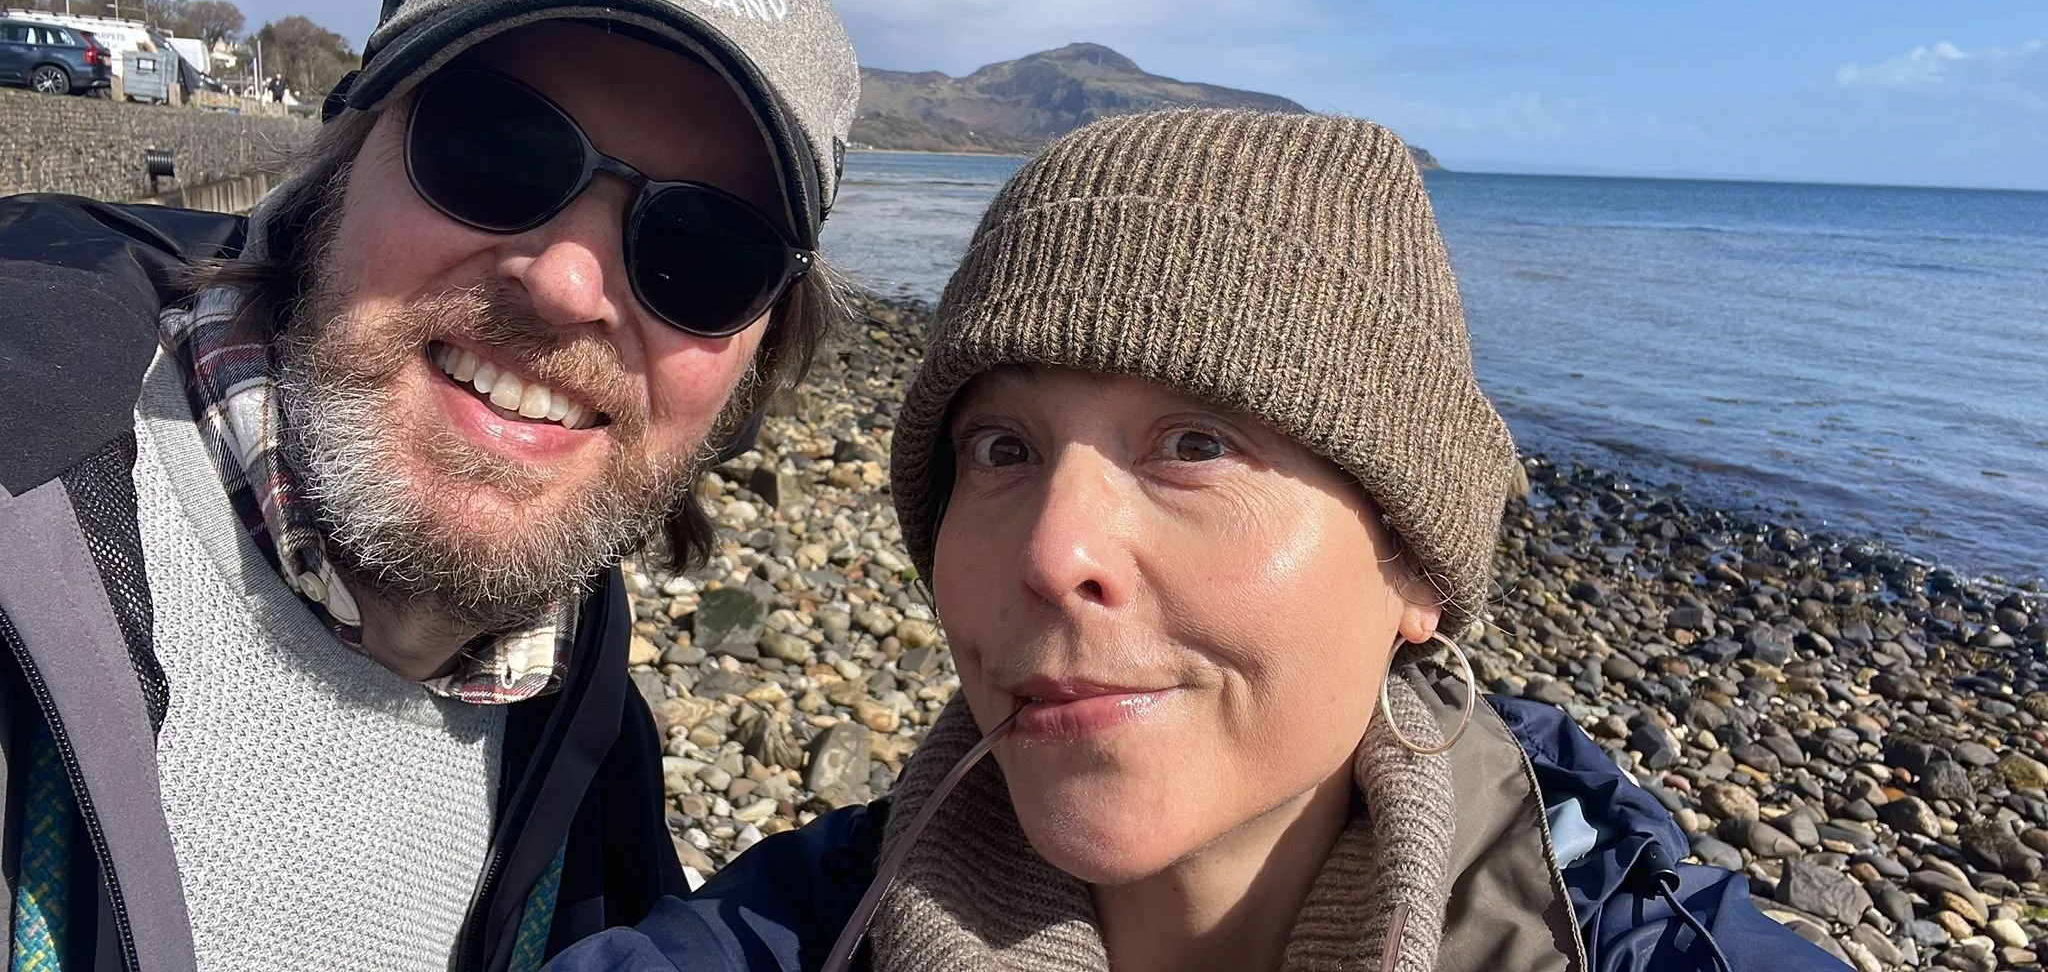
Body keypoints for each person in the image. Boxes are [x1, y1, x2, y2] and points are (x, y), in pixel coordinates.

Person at [547, 110, 1850, 971]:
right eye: (1000, 451)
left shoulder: (1641, 941)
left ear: (1414, 564)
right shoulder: (790, 933)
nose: (1053, 552)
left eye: (1195, 444)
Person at [0, 0, 857, 972]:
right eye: (495, 150)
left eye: (704, 250)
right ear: (334, 168)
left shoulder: (586, 725)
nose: (568, 285)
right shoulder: (27, 521)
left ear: (754, 363)